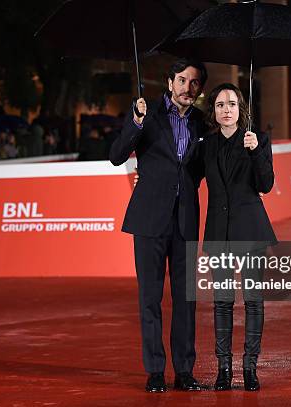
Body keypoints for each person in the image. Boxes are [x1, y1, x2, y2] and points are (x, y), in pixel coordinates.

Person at [109, 58, 208, 393]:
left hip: (186, 220)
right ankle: (154, 371)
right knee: (150, 298)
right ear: (170, 83)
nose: (187, 88)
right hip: (149, 218)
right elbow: (116, 154)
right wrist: (136, 122)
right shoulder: (146, 112)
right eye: (182, 80)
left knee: (186, 300)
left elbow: (202, 168)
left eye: (194, 83)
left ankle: (184, 371)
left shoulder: (201, 122)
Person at [198, 83, 277, 392]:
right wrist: (147, 174)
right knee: (222, 303)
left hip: (251, 231)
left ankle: (250, 368)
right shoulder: (207, 144)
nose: (226, 109)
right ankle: (224, 369)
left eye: (231, 103)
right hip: (219, 232)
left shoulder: (258, 140)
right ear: (214, 111)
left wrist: (256, 150)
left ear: (241, 108)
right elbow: (186, 175)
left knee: (254, 303)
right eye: (220, 105)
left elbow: (266, 184)